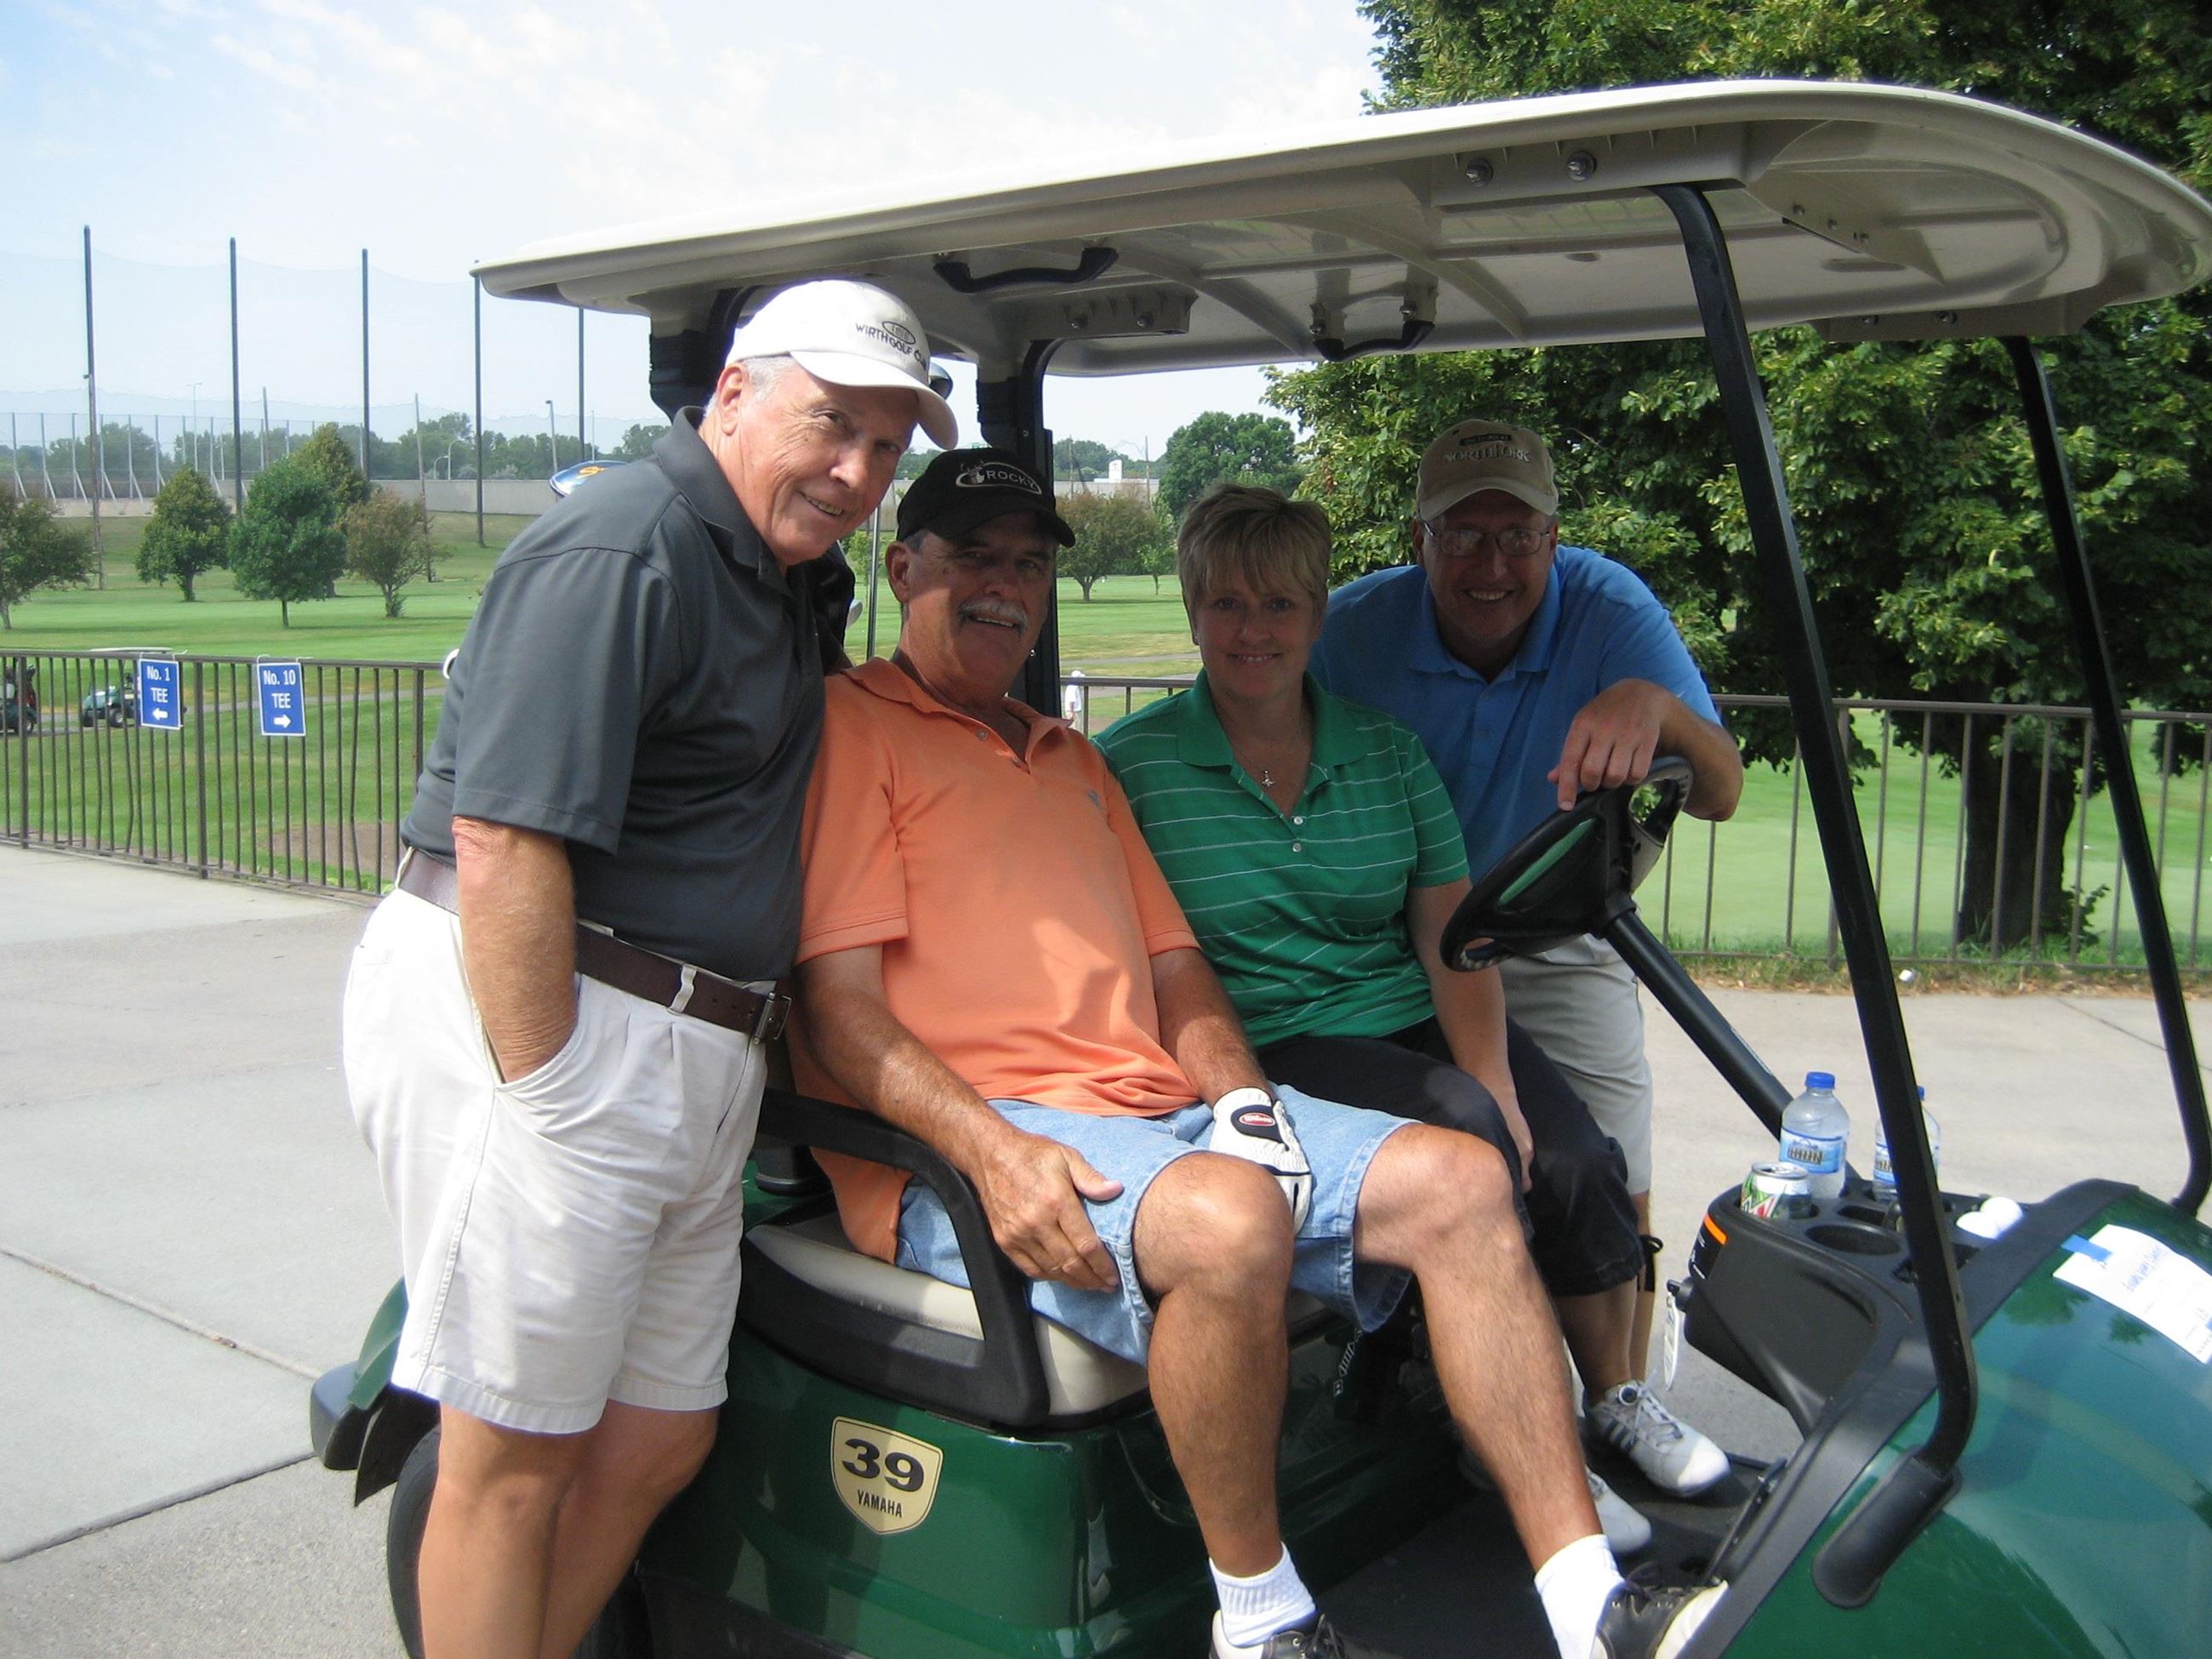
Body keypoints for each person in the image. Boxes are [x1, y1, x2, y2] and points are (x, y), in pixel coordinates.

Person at [788, 447, 1720, 1659]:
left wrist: (1241, 1103)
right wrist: (994, 1152)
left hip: (1153, 1115)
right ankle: (1265, 1620)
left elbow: (1177, 968)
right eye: (973, 559)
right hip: (981, 1141)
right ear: (903, 570)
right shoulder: (849, 728)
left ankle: (1586, 1599)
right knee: (1232, 1219)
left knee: (1462, 1178)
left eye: (1027, 565)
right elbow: (839, 1011)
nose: (1003, 587)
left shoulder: (1069, 758)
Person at [340, 279, 955, 1659]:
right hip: (558, 1019)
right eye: (832, 424)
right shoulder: (625, 547)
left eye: (883, 447)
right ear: (734, 391)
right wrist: (545, 1090)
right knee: (514, 1456)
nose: (858, 472)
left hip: (690, 1043)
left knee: (660, 1433)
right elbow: (504, 838)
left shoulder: (784, 575)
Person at [1096, 484, 1725, 1551]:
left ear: (1317, 617)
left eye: (1280, 605)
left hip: (1399, 1012)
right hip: (1272, 1042)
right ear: (1194, 610)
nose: (1253, 630)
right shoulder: (1133, 766)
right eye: (1227, 604)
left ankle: (1613, 1398)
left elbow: (1447, 938)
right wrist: (1477, 1113)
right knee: (1470, 1145)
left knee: (1572, 1156)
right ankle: (1516, 1437)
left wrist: (1497, 1085)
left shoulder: (1384, 751)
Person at [1310, 419, 1746, 1491]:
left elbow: (1722, 790)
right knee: (1459, 1168)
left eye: (1516, 536)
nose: (1490, 564)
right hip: (1385, 941)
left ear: (1554, 538)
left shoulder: (1608, 610)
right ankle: (1493, 1402)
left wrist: (1656, 710)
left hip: (1549, 931)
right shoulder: (1353, 631)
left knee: (1602, 1167)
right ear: (1419, 540)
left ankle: (1614, 1400)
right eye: (1462, 536)